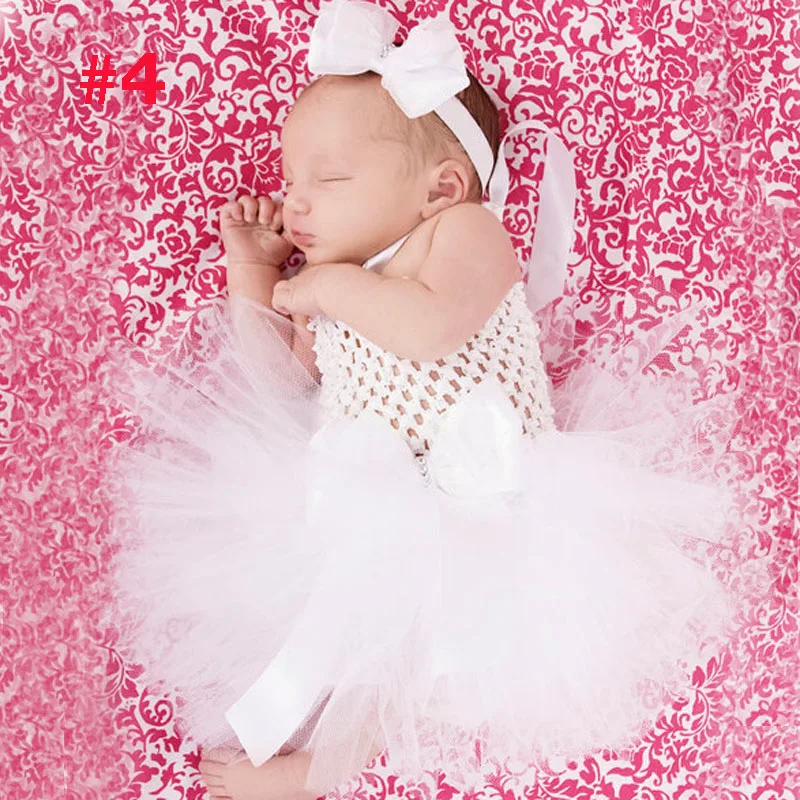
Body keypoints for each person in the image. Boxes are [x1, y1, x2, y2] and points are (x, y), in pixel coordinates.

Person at [105, 3, 768, 800]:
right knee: (367, 637)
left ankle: (320, 770)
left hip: (486, 505)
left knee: (421, 651)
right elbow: (276, 385)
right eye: (289, 182)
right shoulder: (331, 288)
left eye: (328, 179)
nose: (295, 202)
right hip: (362, 501)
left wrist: (326, 288)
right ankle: (315, 755)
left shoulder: (462, 234)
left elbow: (429, 329)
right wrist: (253, 273)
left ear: (441, 187)